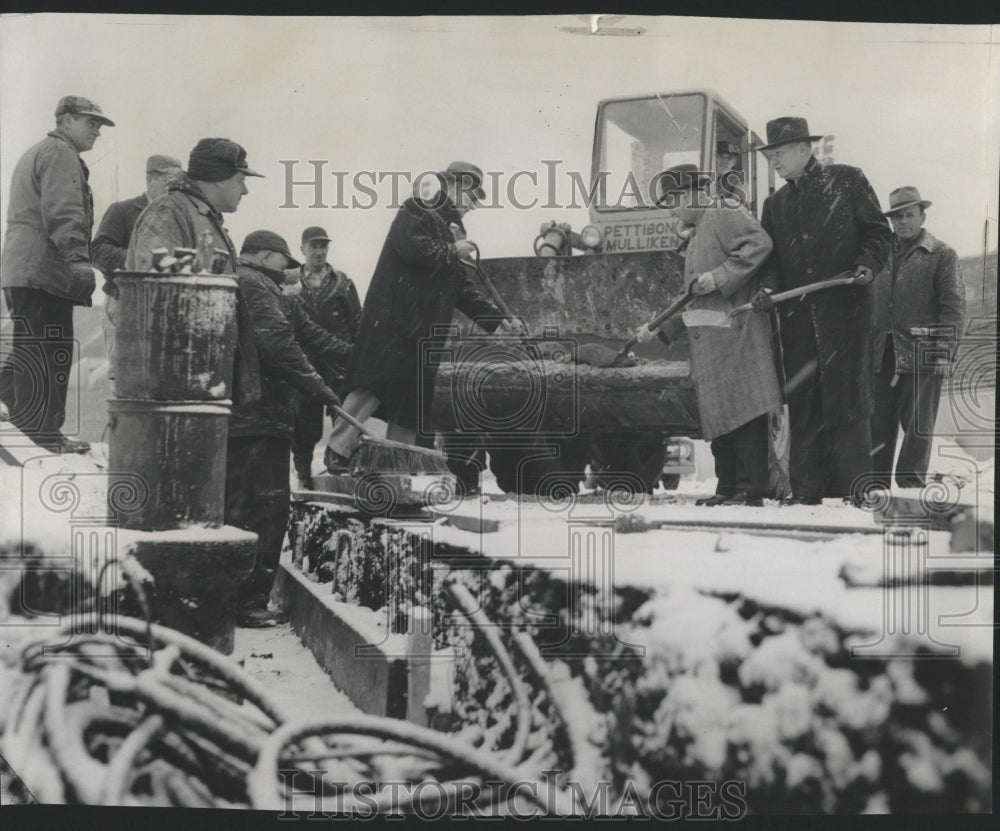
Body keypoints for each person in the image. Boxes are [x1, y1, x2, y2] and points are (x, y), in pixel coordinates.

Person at [324, 161, 524, 472]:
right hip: (394, 324)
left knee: (410, 403)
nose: (474, 203)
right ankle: (337, 449)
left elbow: (462, 291)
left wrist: (498, 319)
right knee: (373, 385)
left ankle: (396, 465)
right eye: (472, 195)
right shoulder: (417, 209)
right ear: (453, 187)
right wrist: (451, 250)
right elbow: (412, 248)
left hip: (423, 334)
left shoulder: (453, 232)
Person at [750, 117, 891, 506]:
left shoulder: (847, 180)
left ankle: (857, 492)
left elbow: (879, 234)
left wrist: (867, 264)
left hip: (845, 316)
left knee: (848, 404)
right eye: (769, 155)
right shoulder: (774, 204)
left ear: (802, 148)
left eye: (777, 153)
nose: (773, 162)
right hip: (796, 322)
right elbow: (772, 264)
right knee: (805, 404)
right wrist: (767, 289)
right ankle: (807, 492)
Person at [635, 164, 780, 506]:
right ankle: (727, 487)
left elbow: (760, 243)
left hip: (736, 336)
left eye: (671, 200)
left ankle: (751, 489)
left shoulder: (723, 211)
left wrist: (720, 276)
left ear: (689, 194)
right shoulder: (699, 229)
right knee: (720, 418)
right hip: (714, 341)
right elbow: (692, 295)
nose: (671, 209)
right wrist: (658, 329)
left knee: (743, 413)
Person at [230, 230, 349, 627]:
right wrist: (321, 388)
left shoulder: (271, 289)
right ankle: (247, 603)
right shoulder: (255, 286)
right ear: (265, 257)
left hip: (262, 416)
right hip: (256, 416)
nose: (290, 271)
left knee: (258, 506)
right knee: (265, 508)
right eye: (285, 262)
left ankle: (243, 598)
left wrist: (357, 355)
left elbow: (310, 332)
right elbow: (279, 346)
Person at [0, 96, 114, 453]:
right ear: (65, 121)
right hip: (44, 271)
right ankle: (42, 434)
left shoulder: (45, 152)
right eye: (90, 122)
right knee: (50, 351)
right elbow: (64, 211)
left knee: (31, 348)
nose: (97, 131)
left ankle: (30, 423)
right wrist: (79, 260)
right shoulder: (61, 154)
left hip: (27, 269)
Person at [870, 187, 965, 489]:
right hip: (882, 352)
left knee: (917, 425)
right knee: (878, 422)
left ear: (922, 216)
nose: (903, 222)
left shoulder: (941, 254)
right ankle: (876, 486)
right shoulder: (880, 254)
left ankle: (910, 485)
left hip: (923, 352)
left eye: (909, 215)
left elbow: (953, 307)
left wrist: (944, 353)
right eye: (897, 216)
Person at [282, 226, 361, 489]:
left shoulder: (343, 282)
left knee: (345, 418)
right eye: (313, 246)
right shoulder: (290, 282)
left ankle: (344, 474)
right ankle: (304, 475)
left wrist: (355, 356)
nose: (319, 251)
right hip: (303, 362)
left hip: (338, 362)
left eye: (323, 246)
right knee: (304, 422)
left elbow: (357, 324)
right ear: (302, 249)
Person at [93, 154, 182, 376]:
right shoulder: (122, 211)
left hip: (168, 307)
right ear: (150, 179)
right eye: (169, 180)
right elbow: (96, 251)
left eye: (179, 181)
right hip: (125, 302)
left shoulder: (180, 217)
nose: (175, 187)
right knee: (126, 377)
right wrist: (138, 260)